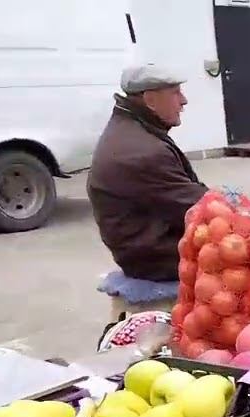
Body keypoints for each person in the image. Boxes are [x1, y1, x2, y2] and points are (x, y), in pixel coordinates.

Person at [88, 64, 207, 282]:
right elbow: (200, 208)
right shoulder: (142, 152)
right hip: (156, 259)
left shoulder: (133, 129)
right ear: (150, 100)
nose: (184, 101)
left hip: (148, 248)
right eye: (175, 93)